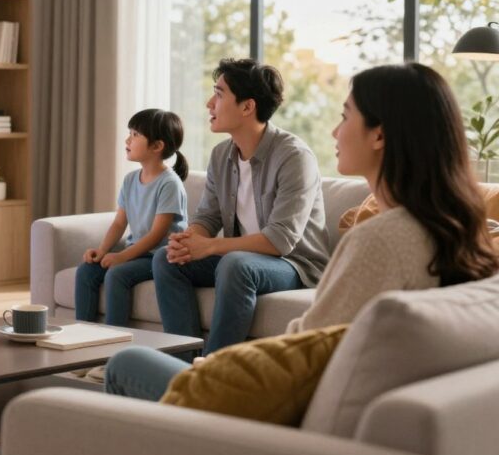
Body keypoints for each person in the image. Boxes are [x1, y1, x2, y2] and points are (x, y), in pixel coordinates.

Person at [105, 62, 499, 401]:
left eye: (345, 116)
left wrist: (222, 373)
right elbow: (311, 345)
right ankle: (188, 360)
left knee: (125, 363)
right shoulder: (457, 233)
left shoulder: (379, 238)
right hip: (286, 388)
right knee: (171, 260)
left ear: (379, 135)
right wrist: (191, 240)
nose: (333, 132)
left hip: (279, 313)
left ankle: (198, 377)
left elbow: (301, 353)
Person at [154, 58, 331, 355]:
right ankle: (183, 367)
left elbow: (280, 240)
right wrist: (189, 241)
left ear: (247, 107)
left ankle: (216, 370)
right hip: (244, 258)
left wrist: (208, 247)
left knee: (235, 264)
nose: (210, 103)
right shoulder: (221, 154)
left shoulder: (293, 156)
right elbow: (207, 216)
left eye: (219, 94)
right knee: (166, 259)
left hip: (295, 265)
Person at [74, 109, 190, 326]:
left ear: (157, 146)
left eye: (135, 134)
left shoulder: (169, 184)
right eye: (130, 133)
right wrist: (103, 250)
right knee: (86, 271)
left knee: (118, 274)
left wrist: (122, 257)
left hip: (160, 258)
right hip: (137, 252)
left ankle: (113, 340)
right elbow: (119, 223)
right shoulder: (130, 180)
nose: (128, 139)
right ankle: (83, 334)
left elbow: (157, 235)